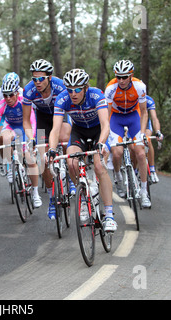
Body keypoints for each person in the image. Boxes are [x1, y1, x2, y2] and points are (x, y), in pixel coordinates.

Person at [49, 69, 116, 231]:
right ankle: (84, 196)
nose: (73, 93)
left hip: (98, 131)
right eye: (70, 90)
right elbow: (55, 129)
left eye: (77, 89)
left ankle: (109, 216)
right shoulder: (62, 99)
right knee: (71, 162)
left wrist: (101, 144)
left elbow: (105, 124)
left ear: (85, 88)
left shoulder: (96, 95)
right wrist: (51, 150)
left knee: (100, 166)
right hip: (78, 131)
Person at [22, 59, 74, 220]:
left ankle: (71, 177)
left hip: (61, 114)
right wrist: (31, 138)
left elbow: (71, 107)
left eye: (40, 79)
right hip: (43, 117)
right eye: (34, 79)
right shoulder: (29, 91)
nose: (37, 82)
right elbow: (26, 121)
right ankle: (53, 198)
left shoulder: (60, 86)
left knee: (65, 137)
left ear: (49, 77)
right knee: (43, 158)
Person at [0, 72, 42, 208]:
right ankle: (10, 165)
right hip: (11, 126)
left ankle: (36, 193)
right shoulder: (1, 104)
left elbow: (32, 121)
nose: (8, 98)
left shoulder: (25, 101)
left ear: (17, 93)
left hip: (25, 127)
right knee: (3, 137)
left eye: (11, 95)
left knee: (30, 159)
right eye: (5, 95)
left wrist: (32, 139)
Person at [105, 59, 150, 208]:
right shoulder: (111, 88)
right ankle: (118, 177)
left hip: (133, 117)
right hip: (116, 118)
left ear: (131, 75)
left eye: (125, 77)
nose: (121, 80)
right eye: (119, 77)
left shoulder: (139, 86)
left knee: (141, 153)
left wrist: (142, 133)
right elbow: (108, 114)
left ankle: (144, 192)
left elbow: (144, 112)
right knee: (117, 153)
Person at [145, 95, 163, 183]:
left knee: (147, 140)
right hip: (132, 122)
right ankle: (134, 169)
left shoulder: (148, 100)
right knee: (132, 146)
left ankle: (152, 170)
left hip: (145, 124)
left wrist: (158, 131)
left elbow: (154, 118)